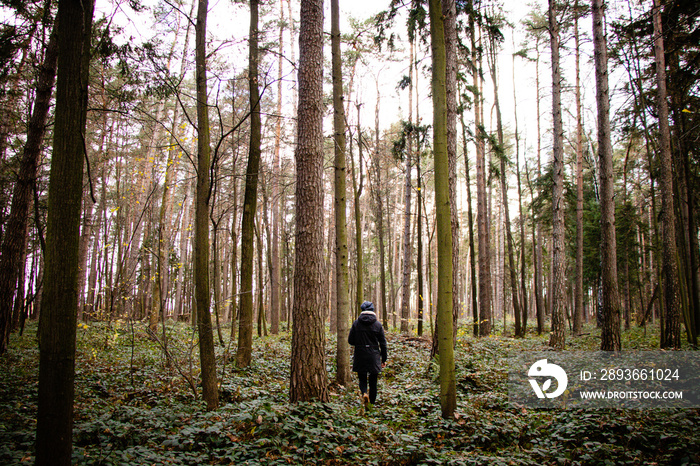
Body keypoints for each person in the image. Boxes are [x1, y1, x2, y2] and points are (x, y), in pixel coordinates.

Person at [348, 301, 387, 407]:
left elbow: (350, 340)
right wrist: (384, 359)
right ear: (372, 310)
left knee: (362, 378)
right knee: (373, 381)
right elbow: (383, 343)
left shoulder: (356, 323)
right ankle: (372, 404)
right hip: (373, 356)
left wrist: (360, 343)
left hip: (360, 354)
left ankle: (364, 393)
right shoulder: (378, 325)